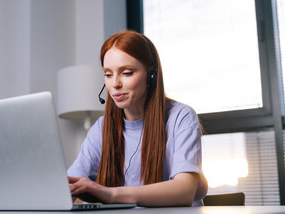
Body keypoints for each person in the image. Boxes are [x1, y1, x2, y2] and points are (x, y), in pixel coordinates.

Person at [67, 30, 208, 207]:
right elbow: (71, 184)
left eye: (126, 73)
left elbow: (185, 190)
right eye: (108, 74)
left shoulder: (181, 117)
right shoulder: (101, 128)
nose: (115, 84)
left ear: (151, 75)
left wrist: (109, 194)